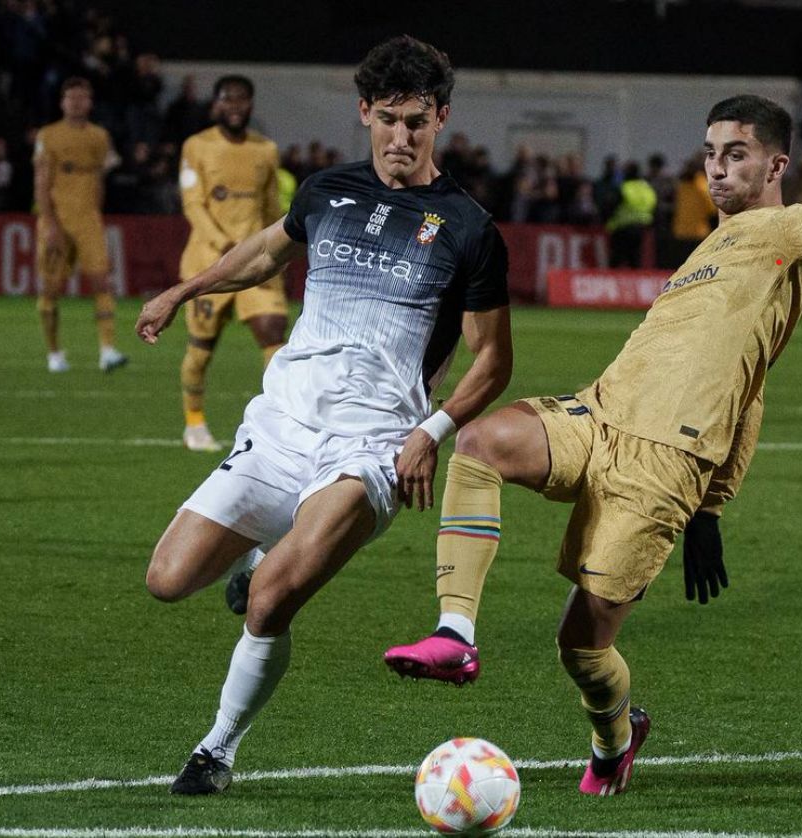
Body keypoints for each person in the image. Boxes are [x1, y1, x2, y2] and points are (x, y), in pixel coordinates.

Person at [385, 50, 802, 796]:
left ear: (776, 164)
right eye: (709, 154)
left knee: (581, 648)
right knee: (479, 442)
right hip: (597, 414)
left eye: (735, 155)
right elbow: (748, 385)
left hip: (662, 465)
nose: (715, 169)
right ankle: (455, 634)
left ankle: (616, 738)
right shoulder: (716, 244)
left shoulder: (791, 230)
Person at [134, 35, 512, 795]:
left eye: (417, 121)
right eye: (387, 120)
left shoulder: (468, 229)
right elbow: (264, 255)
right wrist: (185, 291)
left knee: (272, 598)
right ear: (364, 112)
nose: (400, 138)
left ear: (441, 117)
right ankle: (257, 550)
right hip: (279, 425)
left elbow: (493, 360)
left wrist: (428, 432)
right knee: (167, 581)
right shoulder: (325, 192)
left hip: (372, 444)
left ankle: (216, 749)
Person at [176, 75, 288, 452]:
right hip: (208, 264)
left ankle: (279, 426)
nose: (235, 107)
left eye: (242, 100)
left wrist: (283, 250)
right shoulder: (197, 146)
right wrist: (222, 245)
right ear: (217, 104)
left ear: (251, 105)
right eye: (228, 99)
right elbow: (193, 204)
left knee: (273, 331)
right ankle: (194, 422)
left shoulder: (266, 150)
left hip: (257, 263)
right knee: (200, 350)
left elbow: (271, 206)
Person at [34, 77, 128, 373]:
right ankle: (54, 354)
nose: (76, 102)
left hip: (88, 221)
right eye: (71, 97)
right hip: (57, 221)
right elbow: (41, 182)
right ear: (62, 102)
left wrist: (95, 213)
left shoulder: (100, 137)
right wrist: (48, 223)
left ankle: (108, 350)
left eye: (82, 97)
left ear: (90, 102)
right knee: (51, 289)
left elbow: (100, 178)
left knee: (101, 281)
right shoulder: (48, 135)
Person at [606, 161, 656, 267]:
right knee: (635, 259)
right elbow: (655, 208)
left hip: (622, 229)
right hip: (641, 229)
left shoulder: (624, 187)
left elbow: (610, 206)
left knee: (616, 259)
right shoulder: (647, 188)